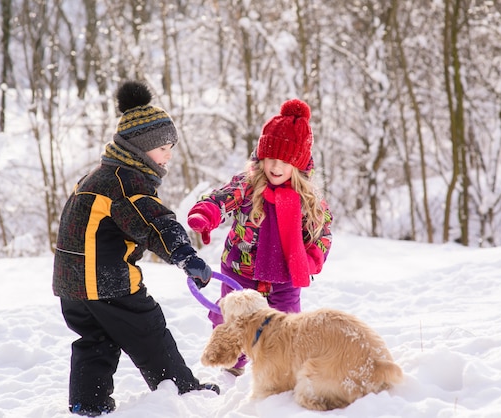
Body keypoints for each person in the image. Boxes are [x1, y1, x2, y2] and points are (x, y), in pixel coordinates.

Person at [52, 80, 219, 417]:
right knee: (148, 330)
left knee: (95, 340)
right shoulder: (127, 182)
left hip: (71, 283)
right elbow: (155, 222)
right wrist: (185, 255)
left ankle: (89, 402)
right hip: (106, 280)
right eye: (164, 148)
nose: (169, 155)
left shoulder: (99, 175)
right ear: (142, 148)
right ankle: (181, 388)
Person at [187, 98, 333, 376]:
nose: (276, 167)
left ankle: (281, 369)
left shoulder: (308, 198)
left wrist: (314, 256)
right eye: (271, 159)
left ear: (298, 165)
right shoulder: (247, 184)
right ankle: (233, 368)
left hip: (285, 278)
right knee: (231, 320)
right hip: (241, 270)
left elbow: (323, 232)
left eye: (285, 161)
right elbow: (221, 198)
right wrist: (205, 214)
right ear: (261, 157)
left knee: (287, 325)